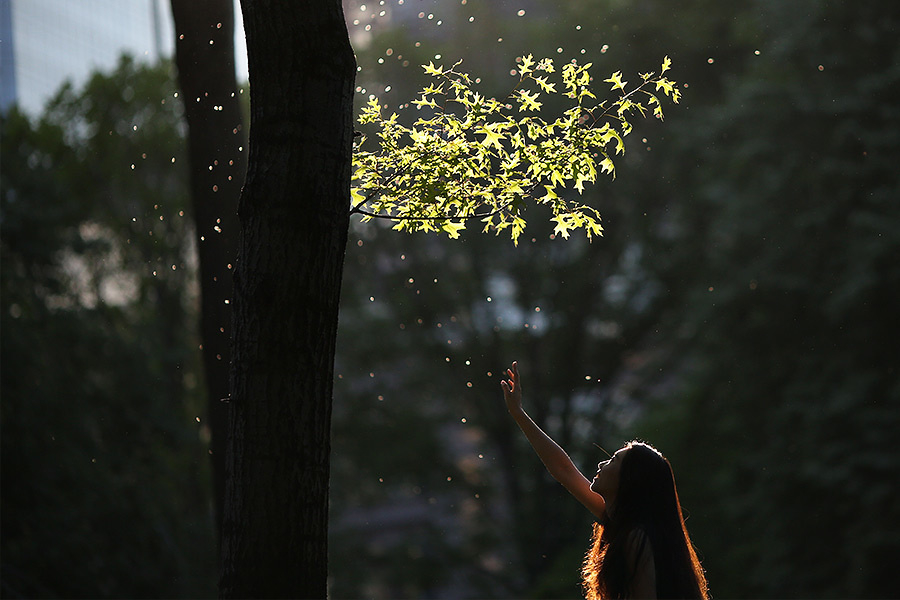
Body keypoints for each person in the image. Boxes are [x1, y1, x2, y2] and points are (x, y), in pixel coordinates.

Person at [500, 361, 709, 599]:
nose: (603, 463)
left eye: (614, 461)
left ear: (630, 480)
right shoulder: (620, 522)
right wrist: (518, 413)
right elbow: (564, 469)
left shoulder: (637, 536)